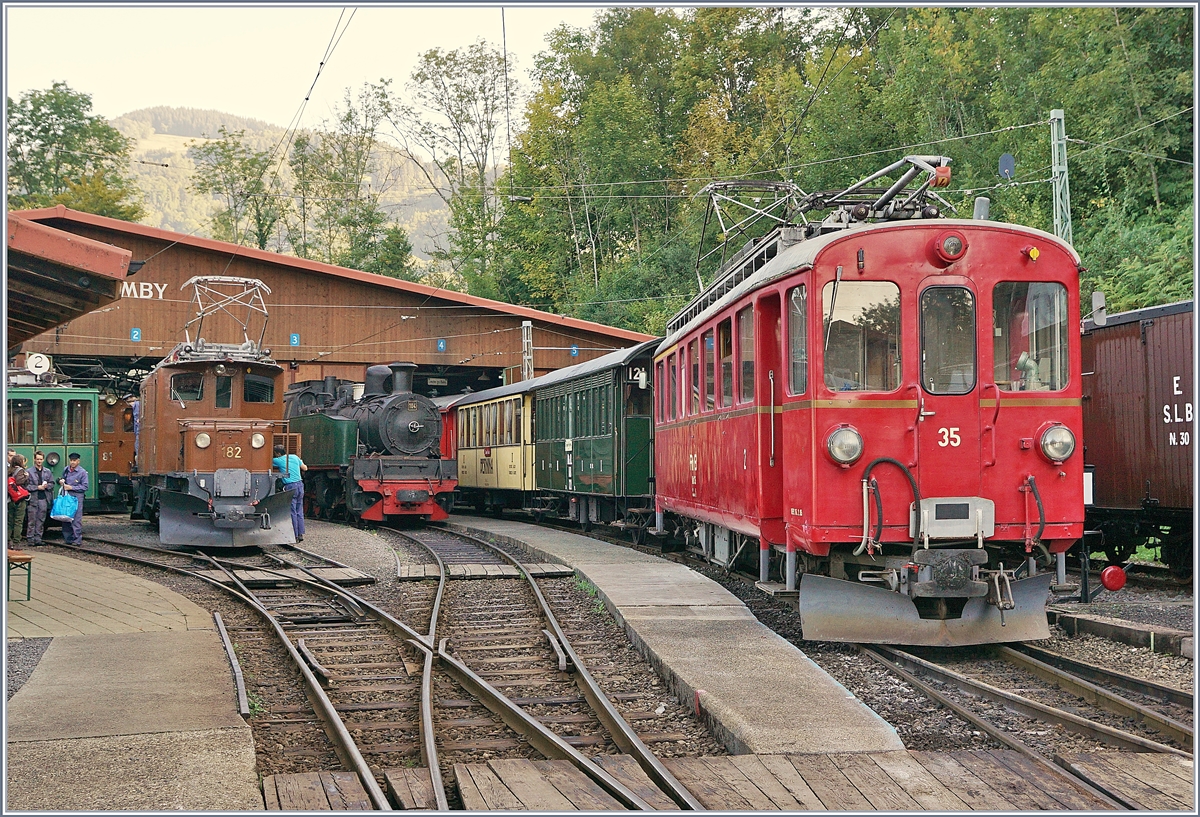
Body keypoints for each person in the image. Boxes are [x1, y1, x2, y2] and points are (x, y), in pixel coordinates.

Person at [272, 445, 307, 541]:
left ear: (278, 453)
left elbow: (265, 461)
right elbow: (305, 468)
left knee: (292, 511)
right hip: (300, 485)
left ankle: (294, 534)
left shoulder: (278, 460)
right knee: (299, 510)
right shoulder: (295, 457)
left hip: (290, 486)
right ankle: (300, 534)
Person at [58, 453, 89, 545]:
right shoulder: (66, 470)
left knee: (76, 519)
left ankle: (77, 539)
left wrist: (71, 487)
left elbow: (85, 487)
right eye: (71, 460)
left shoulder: (82, 472)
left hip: (76, 498)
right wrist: (61, 481)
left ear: (78, 461)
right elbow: (62, 478)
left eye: (74, 460)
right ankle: (68, 538)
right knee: (66, 518)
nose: (72, 462)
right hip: (66, 497)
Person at [25, 451, 54, 546]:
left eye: (41, 459)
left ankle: (38, 538)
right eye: (37, 459)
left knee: (41, 520)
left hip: (43, 499)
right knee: (31, 519)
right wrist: (37, 487)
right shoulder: (29, 472)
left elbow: (52, 483)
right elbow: (26, 486)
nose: (39, 461)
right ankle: (30, 539)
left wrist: (47, 486)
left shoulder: (47, 471)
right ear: (34, 459)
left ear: (43, 460)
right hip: (33, 499)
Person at [7, 453, 31, 546]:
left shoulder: (9, 471)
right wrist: (27, 476)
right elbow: (19, 481)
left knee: (10, 521)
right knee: (18, 521)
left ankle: (8, 540)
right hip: (20, 499)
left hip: (10, 499)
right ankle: (16, 542)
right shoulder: (21, 470)